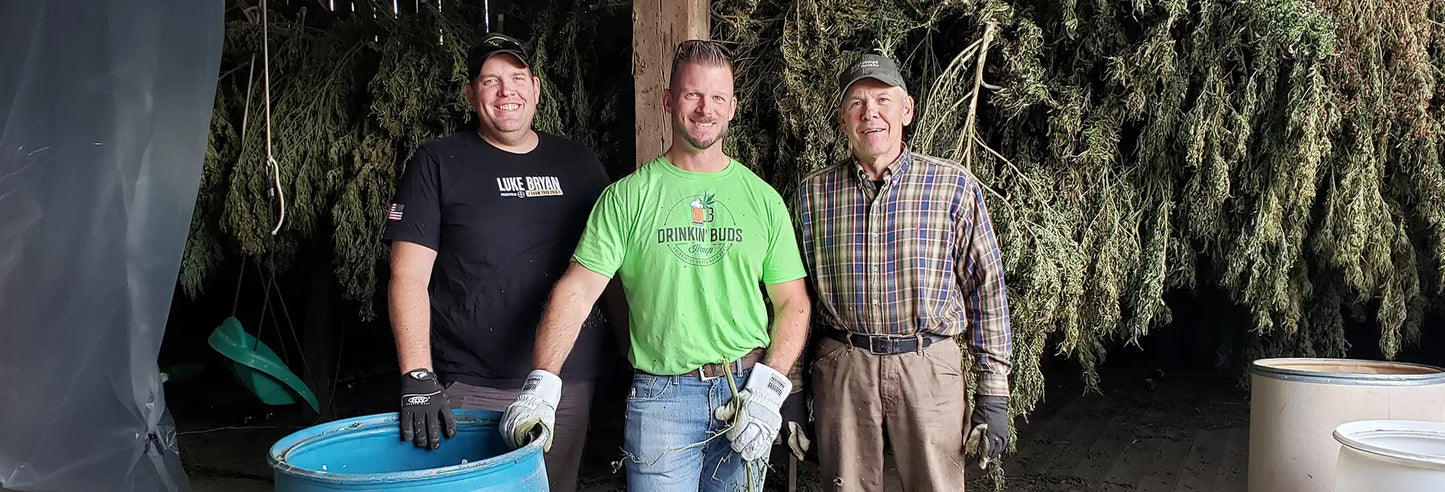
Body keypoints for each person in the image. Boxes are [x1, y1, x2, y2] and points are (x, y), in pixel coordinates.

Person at [498, 39, 811, 491]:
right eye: (692, 94)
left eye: (718, 97)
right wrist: (543, 381)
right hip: (662, 398)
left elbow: (794, 303)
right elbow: (579, 289)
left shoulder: (762, 199)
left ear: (733, 107)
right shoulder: (627, 198)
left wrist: (770, 389)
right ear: (667, 100)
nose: (705, 109)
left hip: (746, 389)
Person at [382, 32, 613, 492]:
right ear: (470, 94)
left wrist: (628, 359)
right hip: (473, 385)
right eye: (490, 80)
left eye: (516, 77)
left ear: (536, 87)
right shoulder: (438, 163)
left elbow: (613, 272)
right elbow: (407, 276)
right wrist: (417, 375)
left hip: (564, 383)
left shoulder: (580, 164)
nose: (506, 91)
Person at [794, 52, 1014, 491]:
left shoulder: (952, 186)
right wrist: (792, 387)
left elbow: (985, 289)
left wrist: (994, 391)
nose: (870, 113)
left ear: (907, 109)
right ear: (842, 119)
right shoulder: (812, 194)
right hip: (844, 366)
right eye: (857, 103)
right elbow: (792, 297)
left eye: (882, 100)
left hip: (928, 366)